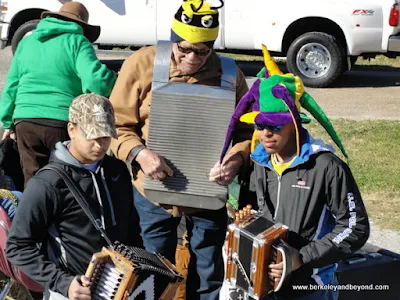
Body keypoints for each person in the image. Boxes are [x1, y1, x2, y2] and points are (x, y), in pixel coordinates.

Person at [109, 0, 251, 298]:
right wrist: (140, 154)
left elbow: (247, 131)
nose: (192, 57)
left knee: (209, 273)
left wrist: (236, 158)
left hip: (208, 193)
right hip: (153, 193)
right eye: (183, 49)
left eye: (202, 52)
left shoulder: (229, 74)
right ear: (172, 39)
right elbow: (116, 126)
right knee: (154, 272)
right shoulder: (142, 64)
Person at [220, 46, 370, 300]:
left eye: (274, 126)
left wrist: (301, 257)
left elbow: (355, 227)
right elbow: (250, 212)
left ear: (294, 123)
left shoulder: (326, 166)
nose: (265, 134)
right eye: (259, 125)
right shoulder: (259, 161)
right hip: (260, 284)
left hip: (309, 285)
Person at [6, 93, 142, 300]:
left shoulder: (117, 171)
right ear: (72, 129)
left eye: (105, 136)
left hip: (121, 288)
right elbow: (17, 247)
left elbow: (131, 228)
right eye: (92, 136)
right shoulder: (46, 184)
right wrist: (63, 282)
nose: (99, 145)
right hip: (71, 291)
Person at [0, 1, 117, 186]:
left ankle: (35, 213)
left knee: (33, 181)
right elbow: (97, 82)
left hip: (24, 122)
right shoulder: (77, 42)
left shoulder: (27, 42)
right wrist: (117, 79)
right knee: (66, 180)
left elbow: (11, 85)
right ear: (81, 26)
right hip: (61, 122)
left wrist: (7, 122)